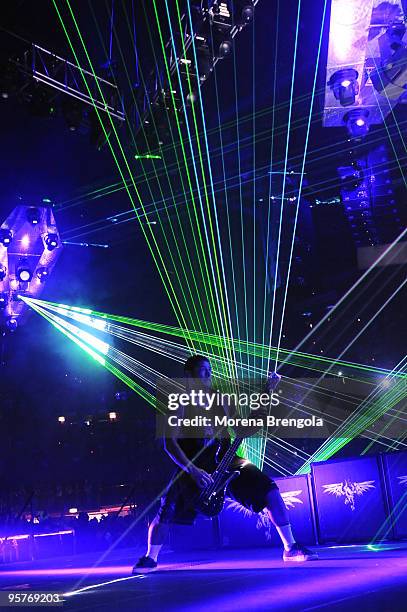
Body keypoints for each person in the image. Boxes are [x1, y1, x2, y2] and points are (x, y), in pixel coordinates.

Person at [133, 355, 317, 572]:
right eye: (203, 370)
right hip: (193, 464)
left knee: (270, 491)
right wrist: (192, 470)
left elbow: (245, 429)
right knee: (167, 509)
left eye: (210, 370)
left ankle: (290, 547)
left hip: (225, 459)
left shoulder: (222, 400)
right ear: (189, 376)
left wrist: (267, 392)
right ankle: (150, 558)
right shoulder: (179, 400)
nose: (209, 374)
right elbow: (169, 444)